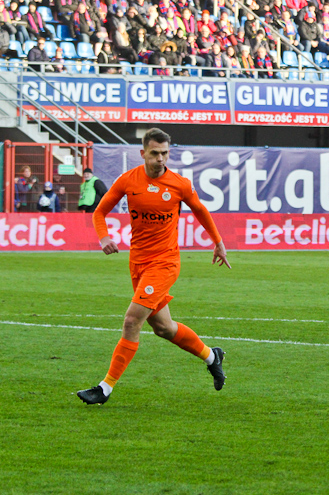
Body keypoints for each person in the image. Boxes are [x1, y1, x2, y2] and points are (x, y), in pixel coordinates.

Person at [77, 128, 231, 405]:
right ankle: (212, 356)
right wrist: (104, 237)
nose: (161, 159)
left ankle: (104, 388)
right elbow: (100, 212)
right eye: (155, 153)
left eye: (165, 153)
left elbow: (200, 210)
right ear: (143, 153)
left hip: (165, 263)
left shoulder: (179, 184)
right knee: (164, 328)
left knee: (131, 321)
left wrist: (218, 242)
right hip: (138, 263)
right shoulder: (128, 180)